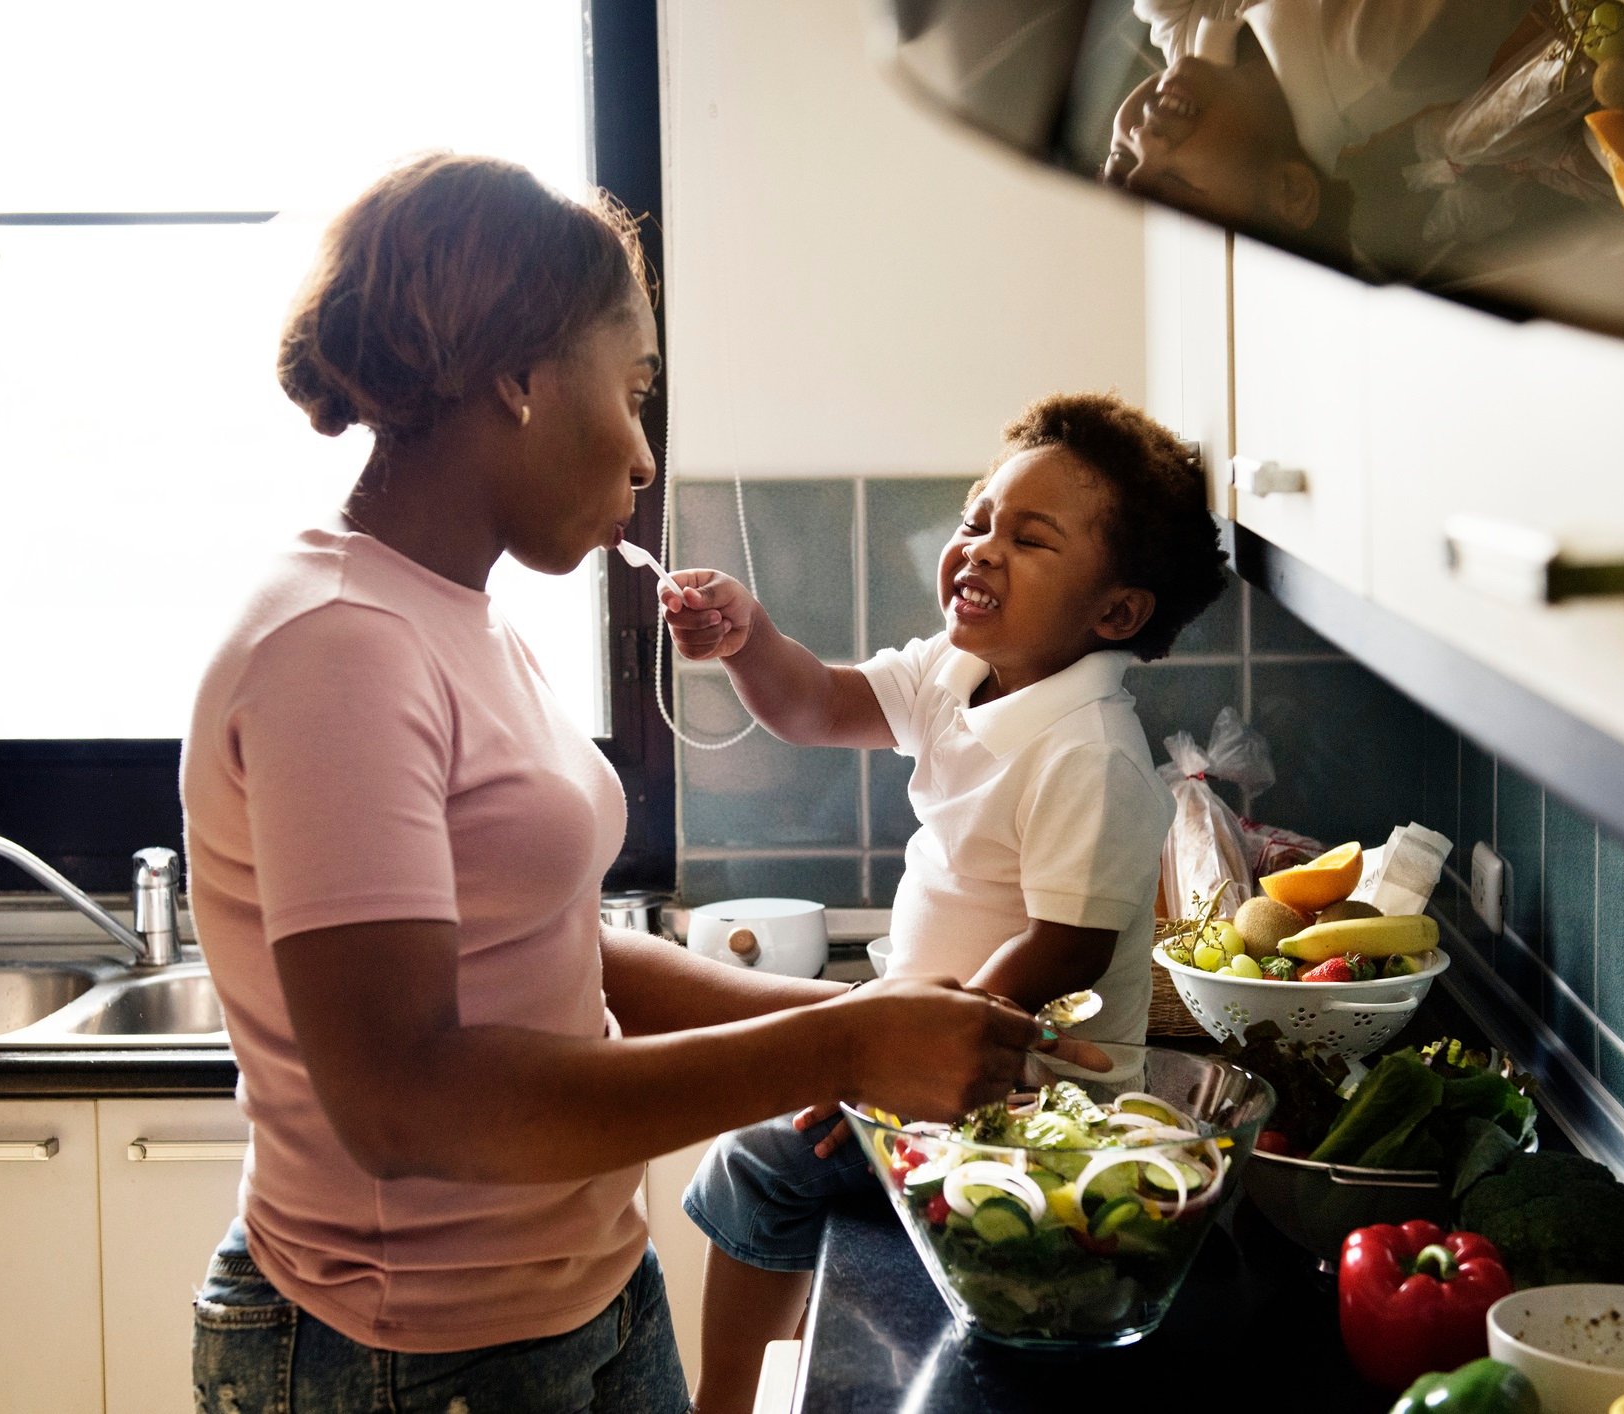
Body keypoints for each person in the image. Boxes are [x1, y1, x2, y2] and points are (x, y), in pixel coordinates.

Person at [179, 152, 1056, 1414]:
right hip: (403, 1354)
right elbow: (404, 1099)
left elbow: (549, 951)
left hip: (578, 1291)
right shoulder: (333, 645)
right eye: (633, 388)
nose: (642, 454)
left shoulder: (458, 618)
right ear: (519, 378)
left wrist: (832, 1023)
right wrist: (838, 1038)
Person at [662, 391, 1231, 1413]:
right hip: (924, 1045)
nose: (979, 549)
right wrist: (749, 638)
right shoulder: (957, 668)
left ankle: (719, 1401)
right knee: (772, 1145)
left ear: (1113, 613)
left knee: (754, 1160)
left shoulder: (1088, 752)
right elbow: (816, 703)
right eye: (977, 519)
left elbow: (1058, 949)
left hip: (1023, 1095)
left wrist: (890, 1061)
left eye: (1029, 537)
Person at [1103, 0, 1537, 256]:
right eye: (1175, 183)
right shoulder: (1379, 49)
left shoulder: (1193, 49)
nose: (1143, 138)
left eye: (1121, 158)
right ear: (1292, 190)